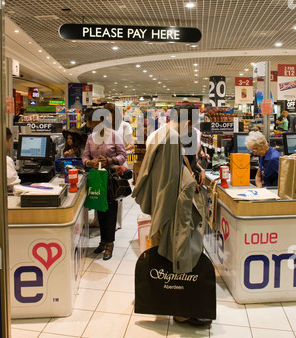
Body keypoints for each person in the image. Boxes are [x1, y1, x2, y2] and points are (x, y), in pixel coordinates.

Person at [133, 104, 210, 326]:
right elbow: (171, 185)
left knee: (163, 256)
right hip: (169, 213)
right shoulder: (173, 140)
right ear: (187, 122)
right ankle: (179, 311)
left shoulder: (161, 134)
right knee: (173, 257)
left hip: (160, 208)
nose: (192, 129)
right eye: (192, 125)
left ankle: (167, 303)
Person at [82, 107, 127, 260]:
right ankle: (102, 240)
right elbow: (85, 157)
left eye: (93, 121)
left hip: (111, 179)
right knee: (99, 210)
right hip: (96, 178)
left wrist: (109, 160)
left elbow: (123, 155)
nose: (90, 124)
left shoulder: (115, 136)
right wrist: (90, 162)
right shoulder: (91, 138)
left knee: (110, 211)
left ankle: (110, 243)